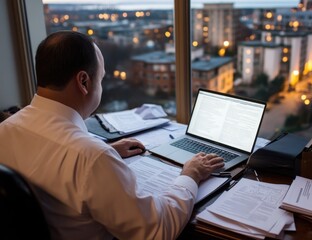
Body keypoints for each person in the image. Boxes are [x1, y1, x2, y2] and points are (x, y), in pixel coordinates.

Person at [0, 31, 224, 240]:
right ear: (84, 82)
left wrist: (108, 150)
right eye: (101, 79)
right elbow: (157, 230)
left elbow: (47, 157)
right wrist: (191, 175)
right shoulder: (91, 158)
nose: (102, 86)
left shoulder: (7, 129)